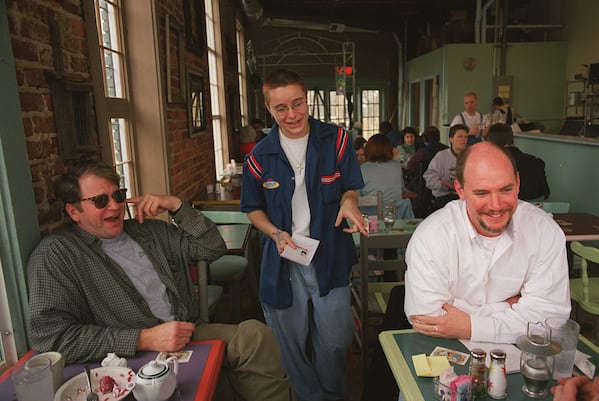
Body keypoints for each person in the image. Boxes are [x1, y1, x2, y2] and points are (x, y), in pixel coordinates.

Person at [27, 160, 292, 401]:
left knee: (256, 336)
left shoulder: (149, 231)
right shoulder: (56, 255)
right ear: (74, 211)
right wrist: (142, 339)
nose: (115, 206)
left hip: (187, 333)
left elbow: (212, 248)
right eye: (100, 201)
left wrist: (175, 205)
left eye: (118, 195)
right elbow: (53, 338)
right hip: (125, 358)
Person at [240, 68, 367, 401]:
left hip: (331, 256)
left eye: (298, 103)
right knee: (289, 341)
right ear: (269, 109)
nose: (292, 114)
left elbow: (350, 187)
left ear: (307, 99)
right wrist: (274, 232)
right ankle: (309, 396)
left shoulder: (336, 140)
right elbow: (252, 208)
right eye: (281, 108)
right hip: (283, 259)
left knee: (337, 339)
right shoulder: (258, 157)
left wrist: (350, 204)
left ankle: (332, 392)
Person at [405, 142, 571, 342]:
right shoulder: (431, 236)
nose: (496, 205)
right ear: (460, 189)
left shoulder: (544, 231)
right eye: (482, 193)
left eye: (506, 189)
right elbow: (428, 319)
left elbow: (550, 319)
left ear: (518, 183)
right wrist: (507, 306)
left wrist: (468, 325)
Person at [487, 122, 550, 200]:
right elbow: (546, 193)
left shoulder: (491, 165)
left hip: (506, 209)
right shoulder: (536, 162)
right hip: (537, 208)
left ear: (491, 143)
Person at [360, 134, 414, 219]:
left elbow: (356, 197)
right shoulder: (396, 166)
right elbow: (402, 190)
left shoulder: (361, 169)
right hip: (394, 217)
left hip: (369, 219)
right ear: (390, 149)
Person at [423, 124, 468, 211]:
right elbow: (429, 179)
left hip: (463, 196)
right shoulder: (441, 156)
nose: (464, 139)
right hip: (444, 197)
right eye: (460, 136)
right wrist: (445, 186)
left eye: (466, 137)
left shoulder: (470, 156)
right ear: (451, 139)